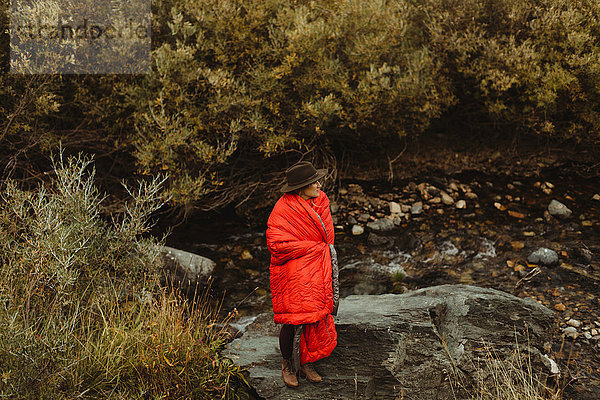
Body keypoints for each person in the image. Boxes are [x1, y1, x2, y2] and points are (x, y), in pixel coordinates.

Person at [266, 160, 339, 388]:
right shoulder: (283, 209)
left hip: (317, 265)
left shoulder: (321, 201)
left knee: (316, 313)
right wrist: (312, 249)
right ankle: (287, 363)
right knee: (293, 317)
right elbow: (276, 243)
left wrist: (318, 251)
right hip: (293, 268)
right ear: (300, 187)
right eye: (313, 182)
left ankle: (307, 361)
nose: (319, 184)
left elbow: (327, 237)